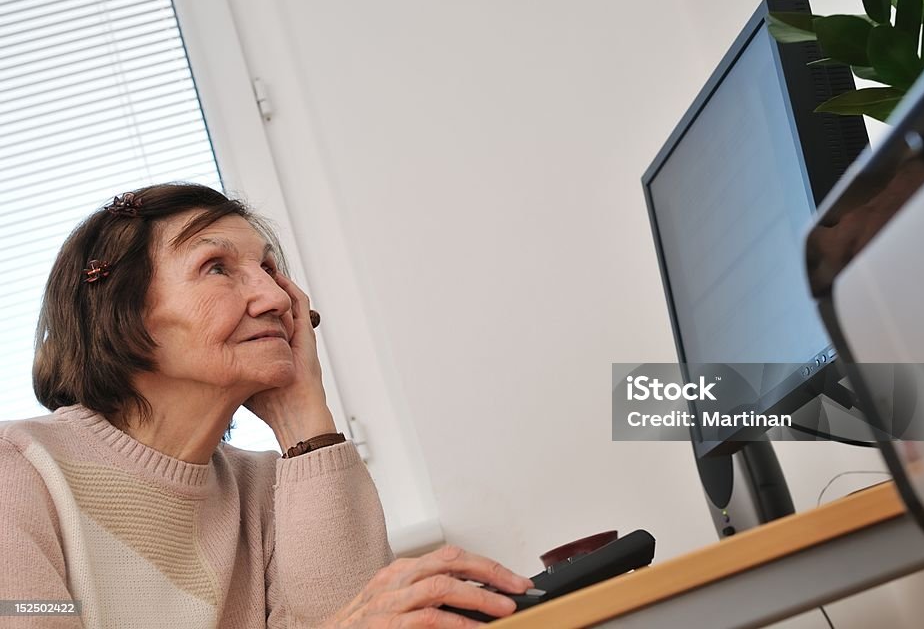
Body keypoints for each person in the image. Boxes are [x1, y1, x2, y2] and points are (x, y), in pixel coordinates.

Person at [0, 183, 532, 628]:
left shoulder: (271, 492)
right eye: (217, 267)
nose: (276, 298)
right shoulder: (18, 469)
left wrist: (303, 412)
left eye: (269, 269)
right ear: (121, 311)